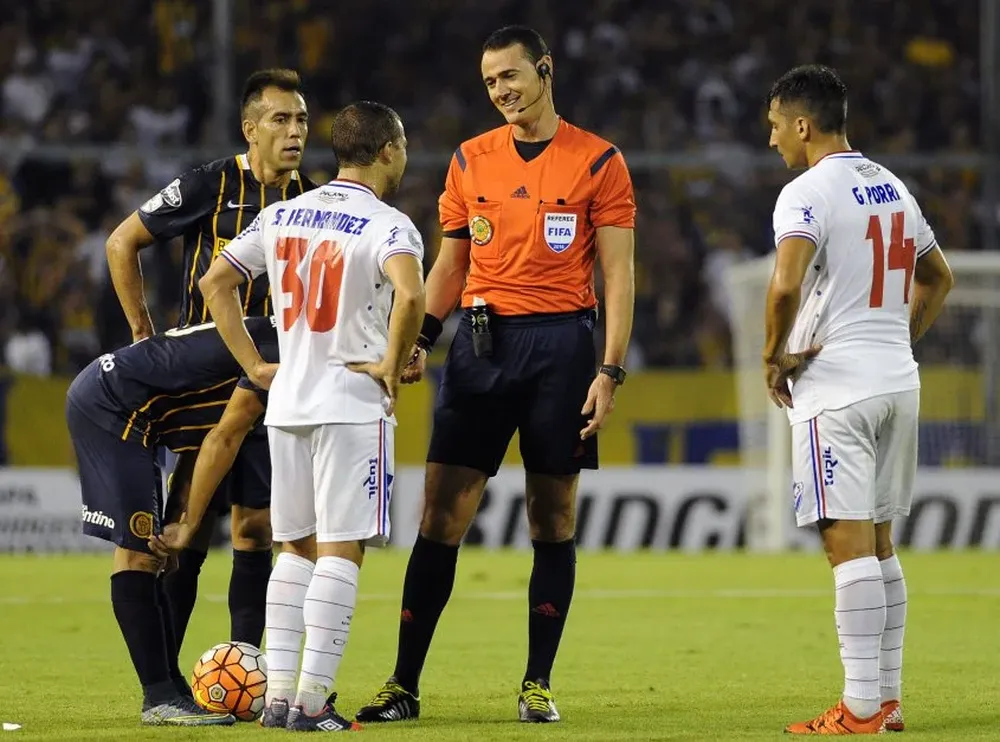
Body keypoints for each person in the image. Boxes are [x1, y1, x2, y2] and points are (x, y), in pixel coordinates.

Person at [356, 25, 636, 725]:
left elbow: (620, 274)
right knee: (440, 515)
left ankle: (537, 683)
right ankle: (403, 684)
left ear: (544, 69)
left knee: (553, 517)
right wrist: (418, 338)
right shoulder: (468, 160)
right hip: (480, 347)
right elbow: (450, 266)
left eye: (511, 76)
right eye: (490, 82)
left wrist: (610, 369)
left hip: (562, 349)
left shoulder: (600, 161)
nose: (502, 91)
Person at [199, 100, 426, 732]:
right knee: (340, 551)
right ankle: (312, 702)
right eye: (403, 144)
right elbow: (410, 293)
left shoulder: (283, 215)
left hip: (289, 402)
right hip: (351, 407)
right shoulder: (389, 225)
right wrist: (392, 361)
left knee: (292, 549)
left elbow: (216, 282)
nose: (405, 155)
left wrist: (255, 365)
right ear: (387, 150)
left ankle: (274, 701)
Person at [762, 64, 954, 735]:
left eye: (776, 126)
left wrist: (772, 354)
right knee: (879, 547)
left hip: (837, 390)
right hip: (898, 383)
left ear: (804, 124)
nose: (773, 140)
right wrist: (895, 337)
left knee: (847, 551)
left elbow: (785, 284)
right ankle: (888, 700)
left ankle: (861, 709)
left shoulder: (806, 192)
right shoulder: (891, 185)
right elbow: (938, 277)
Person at [105, 68, 317, 655]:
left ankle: (247, 671)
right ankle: (168, 678)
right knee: (184, 537)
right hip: (205, 383)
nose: (294, 130)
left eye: (300, 119)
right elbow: (121, 243)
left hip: (276, 384)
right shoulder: (210, 184)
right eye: (280, 119)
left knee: (257, 529)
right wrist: (144, 333)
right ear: (250, 129)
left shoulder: (313, 201)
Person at [64, 316, 279, 726]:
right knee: (139, 554)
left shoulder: (275, 334)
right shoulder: (278, 356)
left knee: (155, 553)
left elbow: (199, 442)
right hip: (112, 406)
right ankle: (159, 698)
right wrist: (188, 523)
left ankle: (171, 688)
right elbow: (223, 438)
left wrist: (179, 519)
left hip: (133, 412)